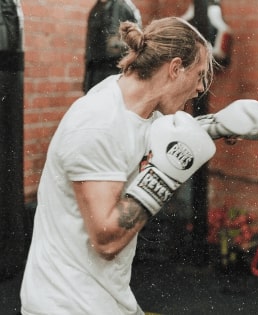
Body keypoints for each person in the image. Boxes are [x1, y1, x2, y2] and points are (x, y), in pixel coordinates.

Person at [20, 17, 217, 315]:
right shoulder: (97, 124)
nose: (201, 87)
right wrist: (165, 173)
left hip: (107, 300)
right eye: (200, 75)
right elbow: (106, 238)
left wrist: (219, 126)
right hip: (66, 305)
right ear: (175, 69)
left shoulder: (135, 102)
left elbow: (160, 131)